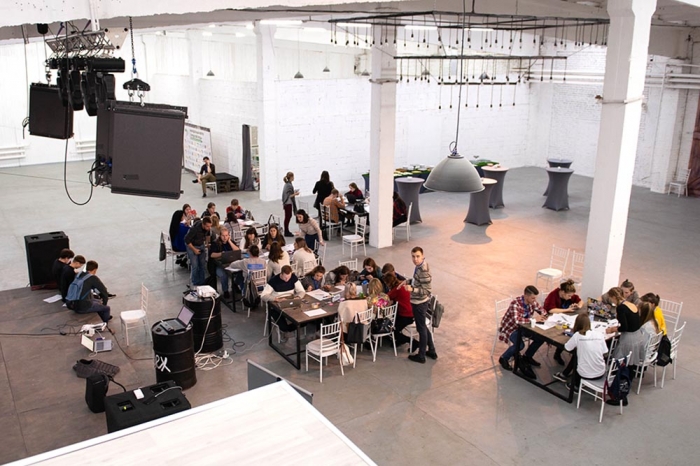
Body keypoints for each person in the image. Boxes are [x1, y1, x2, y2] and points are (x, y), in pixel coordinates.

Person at [497, 285, 547, 374]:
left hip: (525, 327)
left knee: (540, 338)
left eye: (535, 298)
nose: (534, 300)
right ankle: (503, 358)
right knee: (520, 345)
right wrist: (534, 319)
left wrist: (543, 315)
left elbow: (542, 310)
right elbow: (517, 320)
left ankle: (527, 356)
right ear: (526, 296)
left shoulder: (532, 302)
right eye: (533, 298)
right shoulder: (515, 304)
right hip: (511, 328)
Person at [562, 312, 609, 396]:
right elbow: (605, 351)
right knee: (584, 357)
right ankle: (568, 376)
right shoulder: (599, 334)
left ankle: (576, 385)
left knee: (578, 358)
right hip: (601, 372)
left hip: (585, 374)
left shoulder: (577, 335)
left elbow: (567, 347)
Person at [405, 247, 437, 363]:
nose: (415, 259)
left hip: (420, 303)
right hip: (419, 302)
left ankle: (421, 355)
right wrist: (408, 281)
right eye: (413, 256)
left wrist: (412, 289)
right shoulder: (420, 266)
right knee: (422, 326)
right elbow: (418, 281)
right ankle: (431, 350)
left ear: (422, 256)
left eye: (418, 256)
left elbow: (427, 290)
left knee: (421, 329)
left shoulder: (423, 270)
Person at [543, 279, 582, 365]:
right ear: (563, 292)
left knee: (569, 332)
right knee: (562, 334)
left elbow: (580, 301)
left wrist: (578, 306)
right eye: (569, 296)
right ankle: (558, 352)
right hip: (551, 320)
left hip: (564, 319)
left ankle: (558, 352)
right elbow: (551, 310)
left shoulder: (569, 295)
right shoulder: (553, 295)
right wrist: (567, 310)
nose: (570, 298)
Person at [260, 265, 305, 339]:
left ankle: (288, 331)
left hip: (290, 304)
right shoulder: (273, 281)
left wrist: (298, 297)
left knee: (303, 320)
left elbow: (301, 291)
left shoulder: (293, 278)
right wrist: (276, 299)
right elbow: (263, 296)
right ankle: (285, 330)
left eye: (289, 277)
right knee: (284, 326)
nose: (287, 279)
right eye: (285, 277)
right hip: (276, 307)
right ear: (281, 274)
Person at [608, 286, 646, 370]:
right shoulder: (630, 304)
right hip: (637, 335)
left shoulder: (621, 308)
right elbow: (631, 322)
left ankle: (617, 372)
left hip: (629, 338)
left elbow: (624, 327)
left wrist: (612, 329)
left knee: (621, 359)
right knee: (630, 360)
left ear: (614, 297)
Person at [208, 228, 240, 300]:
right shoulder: (215, 243)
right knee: (223, 274)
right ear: (220, 236)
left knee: (238, 272)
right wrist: (221, 254)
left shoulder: (231, 241)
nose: (225, 237)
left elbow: (237, 251)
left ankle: (235, 285)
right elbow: (212, 255)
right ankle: (225, 290)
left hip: (230, 263)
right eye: (223, 235)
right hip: (218, 265)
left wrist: (230, 242)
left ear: (229, 235)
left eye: (226, 235)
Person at [383, 273, 413, 346]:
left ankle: (413, 342)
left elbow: (386, 298)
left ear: (388, 283)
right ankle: (400, 340)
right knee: (394, 325)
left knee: (392, 329)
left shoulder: (396, 289)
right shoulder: (401, 285)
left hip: (406, 315)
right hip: (410, 312)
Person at [184, 217, 213, 286]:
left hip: (201, 244)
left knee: (202, 265)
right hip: (192, 245)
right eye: (207, 226)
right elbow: (186, 240)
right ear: (203, 224)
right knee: (195, 266)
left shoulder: (207, 228)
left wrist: (207, 243)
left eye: (210, 226)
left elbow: (208, 235)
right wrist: (194, 250)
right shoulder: (195, 229)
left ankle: (202, 282)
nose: (209, 228)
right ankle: (195, 283)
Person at [282, 172, 299, 237]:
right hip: (288, 203)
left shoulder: (287, 184)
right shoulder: (288, 185)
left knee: (288, 216)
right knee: (287, 217)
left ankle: (286, 230)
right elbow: (288, 196)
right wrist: (295, 194)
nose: (294, 178)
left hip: (287, 203)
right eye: (293, 176)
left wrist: (294, 192)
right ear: (291, 177)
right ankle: (286, 231)